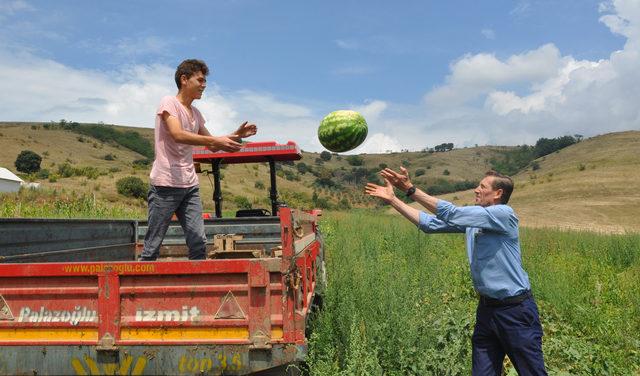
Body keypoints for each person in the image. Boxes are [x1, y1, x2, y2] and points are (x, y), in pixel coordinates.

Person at [365, 167, 547, 376]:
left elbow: (452, 212)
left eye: (482, 186)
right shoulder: (475, 221)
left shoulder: (503, 214)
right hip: (487, 311)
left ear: (498, 194)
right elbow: (430, 224)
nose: (476, 190)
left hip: (515, 311)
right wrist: (393, 200)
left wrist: (409, 189)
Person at [139, 59, 257, 261]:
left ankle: (196, 287)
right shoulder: (169, 102)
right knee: (152, 245)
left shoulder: (196, 114)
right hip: (165, 185)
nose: (204, 85)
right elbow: (178, 134)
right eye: (200, 80)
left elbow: (211, 144)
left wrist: (236, 135)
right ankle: (138, 286)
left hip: (189, 185)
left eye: (205, 81)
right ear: (184, 79)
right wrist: (216, 140)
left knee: (198, 242)